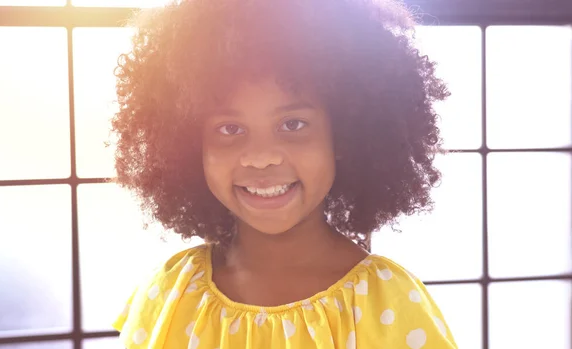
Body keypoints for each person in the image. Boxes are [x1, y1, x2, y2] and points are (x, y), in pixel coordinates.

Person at [110, 0, 457, 347]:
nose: (261, 158)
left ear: (345, 134)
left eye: (293, 124)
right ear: (188, 145)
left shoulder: (386, 302)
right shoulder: (171, 291)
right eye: (230, 129)